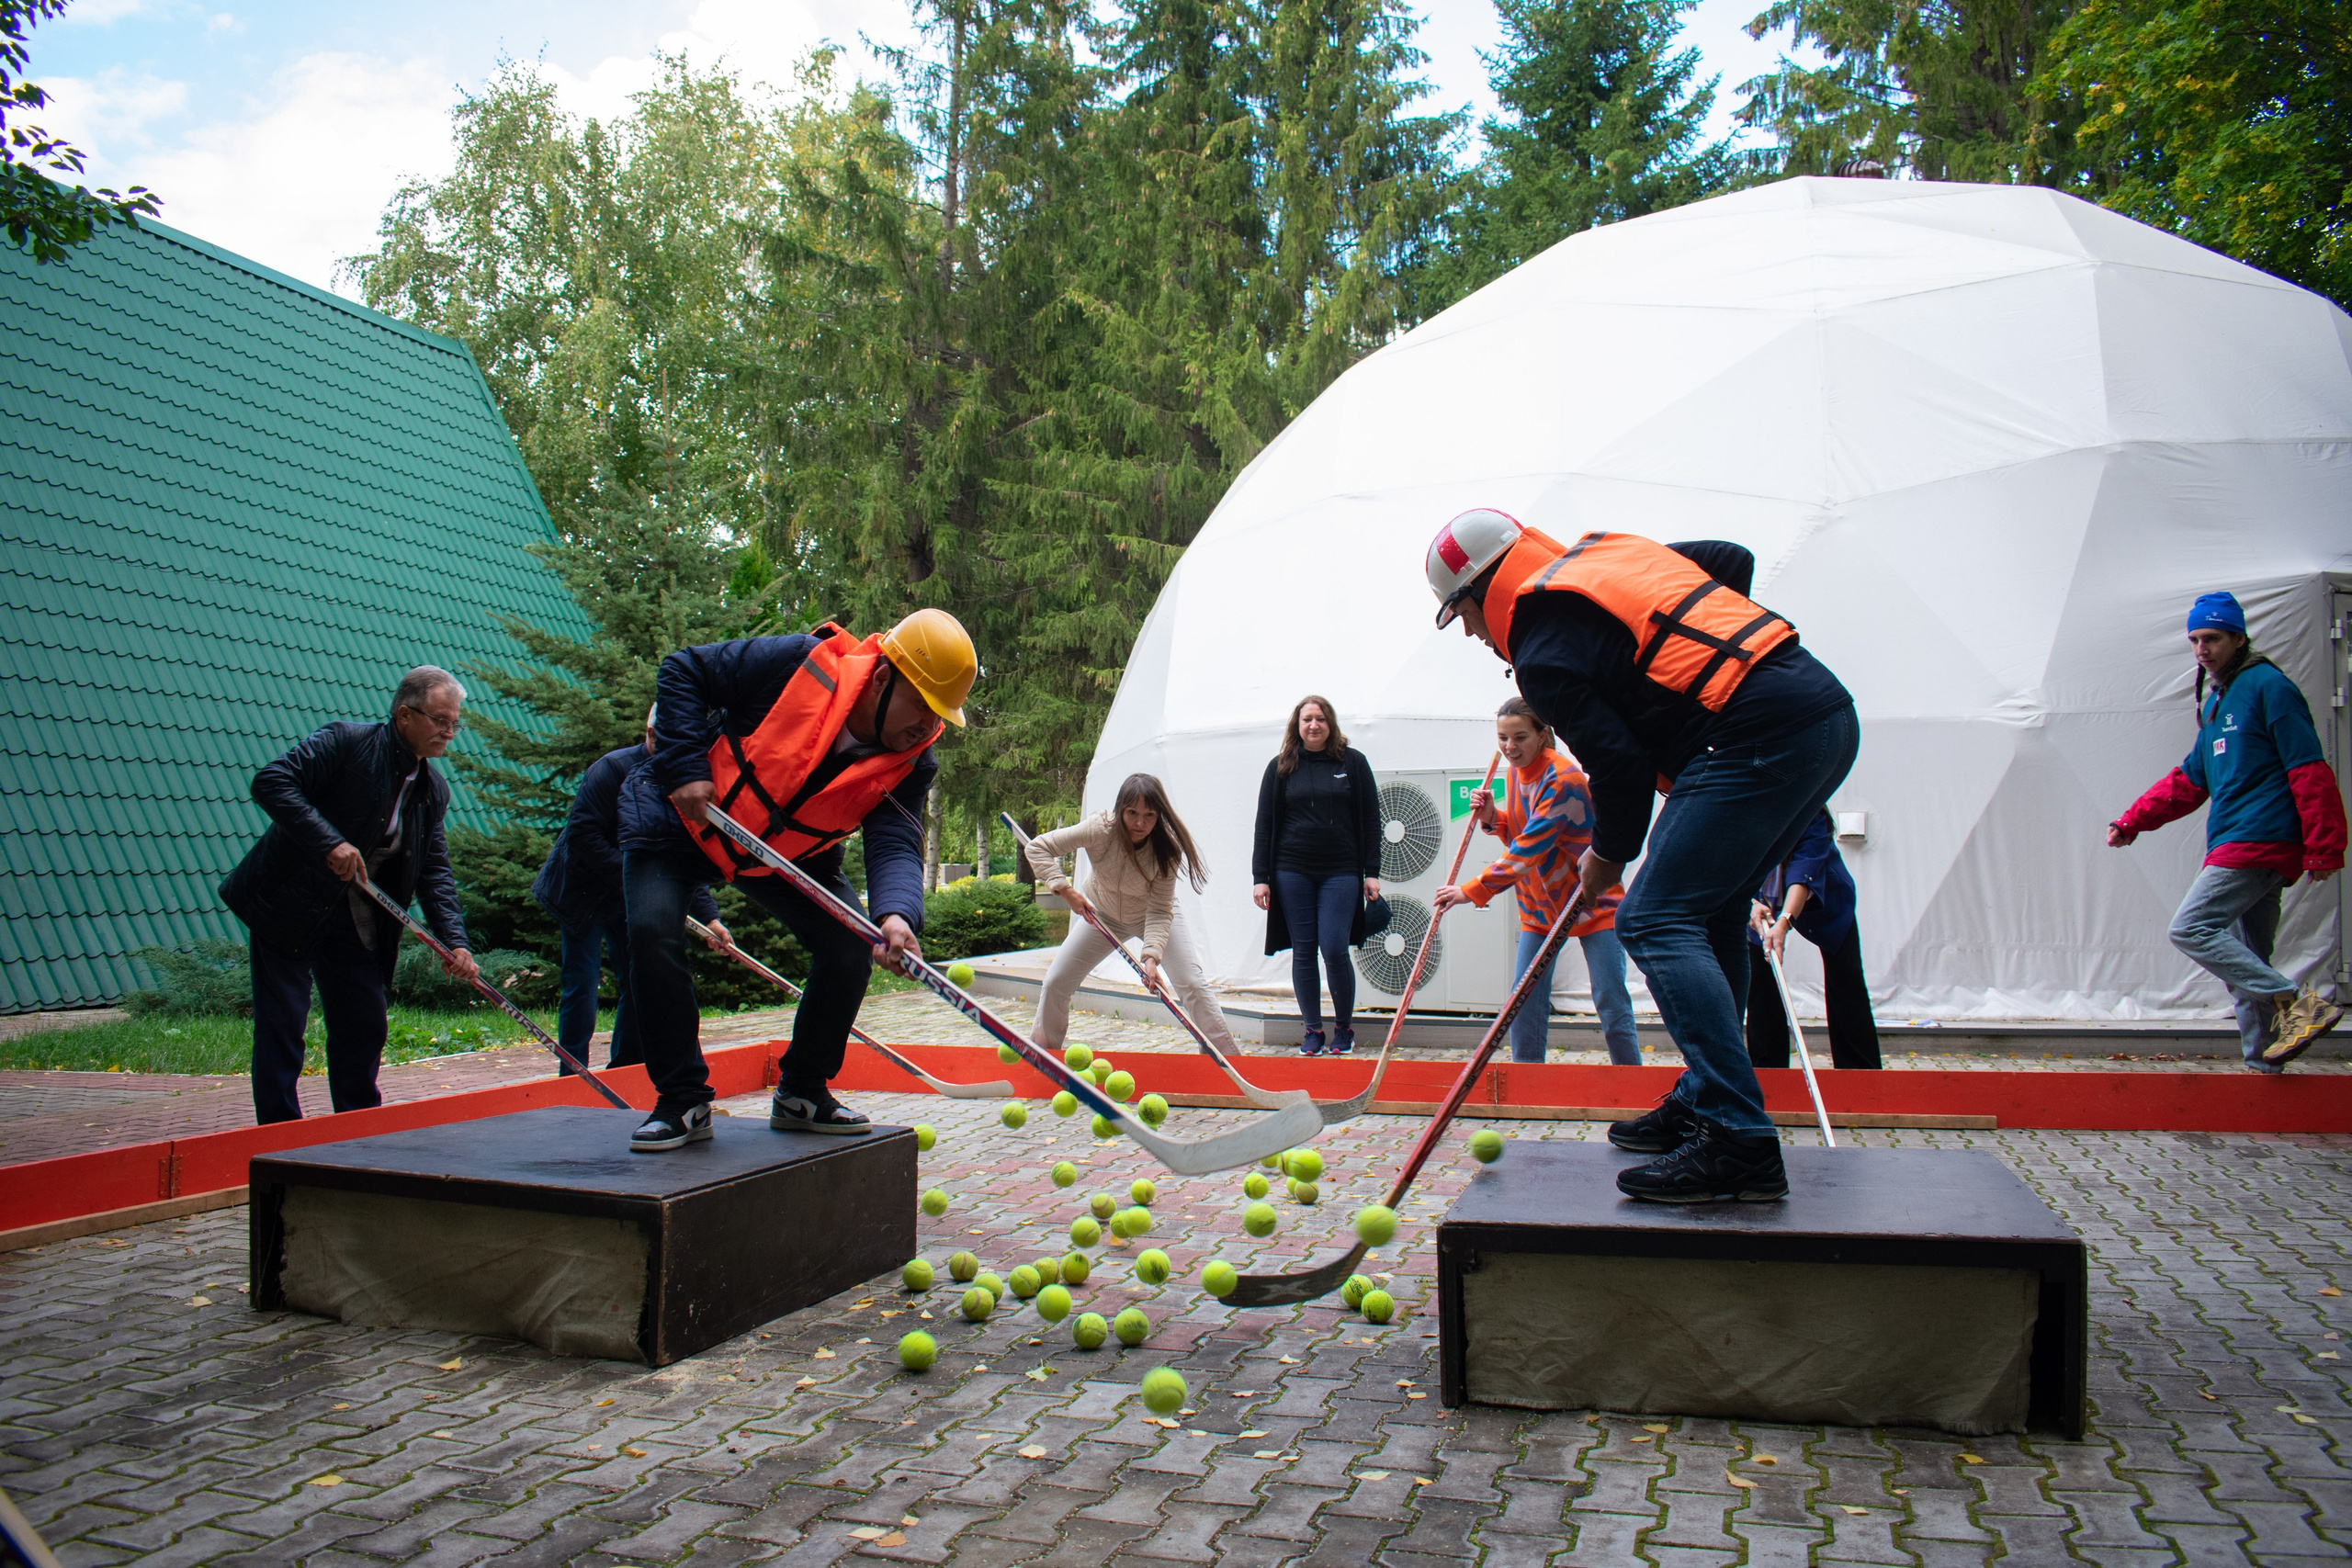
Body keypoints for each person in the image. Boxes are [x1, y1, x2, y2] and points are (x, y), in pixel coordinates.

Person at [1426, 509, 1858, 1202]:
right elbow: (1729, 557)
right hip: (1825, 714)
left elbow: (1620, 770)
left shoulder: (1539, 648)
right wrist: (1716, 655)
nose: (1474, 634)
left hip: (1753, 735)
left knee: (1652, 920)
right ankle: (1707, 1095)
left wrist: (1608, 857)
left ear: (1483, 590)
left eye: (1464, 615)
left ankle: (1737, 1138)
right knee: (1711, 911)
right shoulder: (1604, 557)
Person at [617, 610, 976, 1151]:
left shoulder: (913, 761)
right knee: (651, 930)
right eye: (922, 705)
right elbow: (683, 670)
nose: (928, 726)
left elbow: (896, 842)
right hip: (684, 820)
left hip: (785, 854)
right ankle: (681, 1100)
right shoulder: (795, 662)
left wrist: (896, 915)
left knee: (849, 947)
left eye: (940, 714)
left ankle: (802, 1093)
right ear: (882, 678)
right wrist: (685, 769)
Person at [219, 666, 480, 1124]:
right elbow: (272, 782)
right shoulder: (345, 742)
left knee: (364, 1022)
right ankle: (279, 1138)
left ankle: (359, 1131)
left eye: (455, 723)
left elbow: (433, 870)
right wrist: (329, 842)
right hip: (288, 904)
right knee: (284, 1025)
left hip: (356, 918)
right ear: (404, 715)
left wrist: (454, 941)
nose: (449, 732)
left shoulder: (432, 790)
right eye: (440, 720)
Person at [2108, 592, 2345, 1068]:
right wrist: (2133, 820)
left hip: (2259, 840)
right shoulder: (2216, 702)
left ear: (2238, 638)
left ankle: (2299, 1003)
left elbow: (2308, 768)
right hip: (2238, 838)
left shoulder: (2269, 687)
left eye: (2212, 638)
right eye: (2194, 639)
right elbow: (2190, 780)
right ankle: (2264, 1067)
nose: (2201, 648)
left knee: (2191, 927)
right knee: (2246, 962)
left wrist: (2324, 846)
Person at [1436, 697, 1640, 1066]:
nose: (1510, 748)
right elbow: (1520, 831)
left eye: (1519, 737)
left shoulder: (1562, 778)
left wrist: (1471, 890)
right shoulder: (1515, 771)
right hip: (1540, 906)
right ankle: (1529, 1080)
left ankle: (1633, 1082)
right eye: (1502, 738)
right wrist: (1493, 817)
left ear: (1543, 735)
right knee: (1525, 997)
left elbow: (1530, 848)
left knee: (1609, 997)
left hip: (1590, 900)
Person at [532, 707, 730, 1075]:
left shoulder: (683, 783)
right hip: (582, 892)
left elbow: (682, 855)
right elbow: (582, 836)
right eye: (653, 736)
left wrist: (712, 919)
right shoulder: (611, 769)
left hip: (629, 895)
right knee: (583, 984)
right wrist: (637, 876)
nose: (657, 745)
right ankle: (570, 1075)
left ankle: (624, 1070)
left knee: (638, 980)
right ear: (647, 731)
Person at [1023, 774, 1243, 1057]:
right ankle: (1044, 1054)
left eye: (1149, 815)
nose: (1140, 823)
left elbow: (1161, 910)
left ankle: (1226, 1060)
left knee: (1191, 983)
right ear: (1120, 810)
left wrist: (1151, 957)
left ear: (1159, 814)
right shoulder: (1099, 829)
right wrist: (1065, 890)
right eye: (1132, 813)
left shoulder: (1168, 848)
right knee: (1056, 981)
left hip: (1152, 913)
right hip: (1101, 914)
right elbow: (1037, 847)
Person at [1250, 695, 1382, 1055]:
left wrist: (1372, 872)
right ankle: (1312, 1030)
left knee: (1335, 947)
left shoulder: (1352, 763)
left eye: (1320, 719)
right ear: (1297, 724)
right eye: (1307, 719)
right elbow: (1264, 825)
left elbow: (1372, 819)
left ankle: (1343, 1028)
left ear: (1331, 724)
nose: (1313, 725)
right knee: (1304, 951)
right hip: (1292, 871)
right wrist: (1260, 877)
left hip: (1341, 871)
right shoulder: (1280, 767)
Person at [1745, 810, 1882, 1070]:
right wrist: (1750, 904)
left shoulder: (1813, 812)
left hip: (1826, 902)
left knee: (1846, 977)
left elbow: (1803, 872)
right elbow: (1732, 866)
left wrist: (1784, 922)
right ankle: (1767, 1071)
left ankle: (1860, 1072)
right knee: (1760, 980)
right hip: (1757, 902)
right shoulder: (1741, 808)